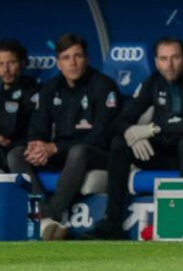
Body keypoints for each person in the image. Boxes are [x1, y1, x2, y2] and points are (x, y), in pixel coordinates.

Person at [84, 37, 183, 240]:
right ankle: (112, 222)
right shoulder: (153, 82)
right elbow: (121, 120)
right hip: (161, 154)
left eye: (175, 58)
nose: (169, 64)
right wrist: (131, 134)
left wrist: (154, 130)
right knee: (120, 144)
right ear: (156, 62)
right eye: (163, 59)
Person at [7, 33, 120, 240]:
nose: (73, 63)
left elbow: (102, 137)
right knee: (16, 154)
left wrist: (56, 149)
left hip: (99, 154)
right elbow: (37, 129)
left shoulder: (103, 86)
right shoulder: (51, 88)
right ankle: (44, 216)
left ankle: (46, 215)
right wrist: (36, 147)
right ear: (58, 63)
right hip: (61, 153)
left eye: (78, 56)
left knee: (78, 152)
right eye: (66, 58)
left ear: (87, 59)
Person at [0, 40, 39, 171]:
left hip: (22, 150)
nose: (5, 69)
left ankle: (34, 192)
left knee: (15, 155)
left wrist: (12, 141)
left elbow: (37, 130)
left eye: (11, 63)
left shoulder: (35, 92)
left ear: (22, 63)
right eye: (0, 64)